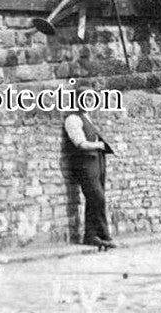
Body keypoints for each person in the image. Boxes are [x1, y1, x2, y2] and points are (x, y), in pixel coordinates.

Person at [62, 87, 115, 249]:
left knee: (94, 200)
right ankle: (105, 235)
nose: (89, 102)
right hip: (84, 165)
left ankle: (91, 236)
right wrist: (99, 144)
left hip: (97, 163)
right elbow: (80, 143)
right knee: (98, 198)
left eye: (91, 99)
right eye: (85, 99)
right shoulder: (73, 119)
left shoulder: (87, 117)